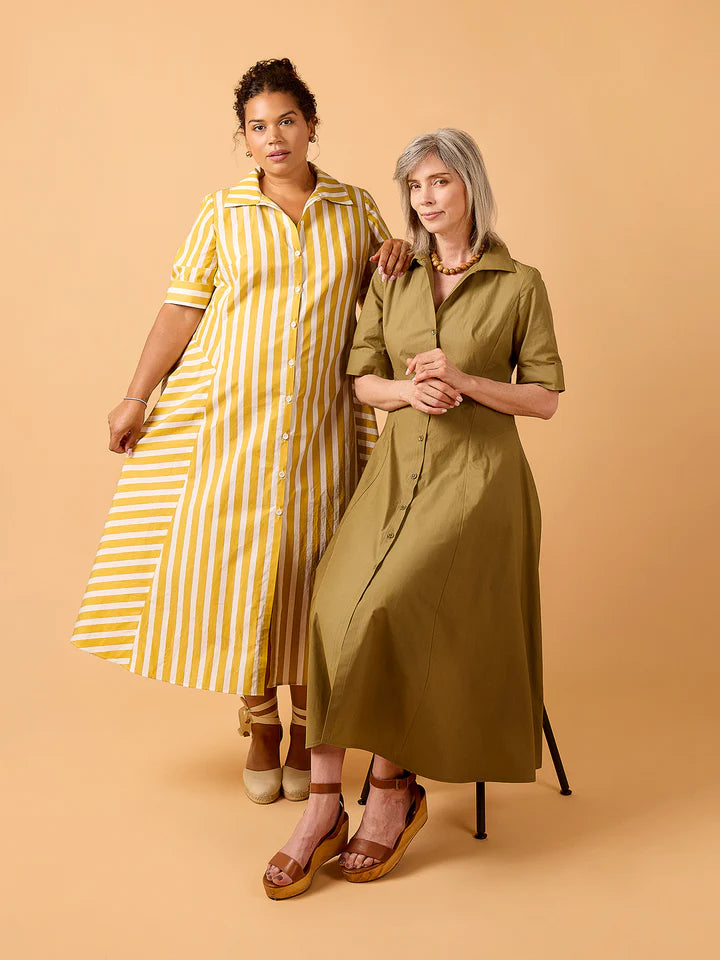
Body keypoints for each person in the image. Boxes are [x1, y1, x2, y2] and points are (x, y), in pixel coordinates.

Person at [70, 58, 411, 806]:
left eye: (286, 120)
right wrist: (135, 396)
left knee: (314, 574)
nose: (274, 136)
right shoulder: (221, 212)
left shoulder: (356, 210)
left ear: (311, 125)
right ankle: (259, 725)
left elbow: (391, 299)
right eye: (258, 127)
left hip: (323, 426)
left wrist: (400, 253)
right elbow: (181, 309)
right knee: (241, 572)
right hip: (227, 422)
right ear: (244, 139)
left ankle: (307, 729)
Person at [263, 128, 565, 898]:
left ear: (470, 187)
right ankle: (323, 808)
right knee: (332, 605)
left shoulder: (519, 283)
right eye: (415, 186)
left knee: (391, 605)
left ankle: (392, 790)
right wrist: (407, 391)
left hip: (479, 483)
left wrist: (465, 381)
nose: (427, 199)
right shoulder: (394, 276)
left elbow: (543, 398)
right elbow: (363, 378)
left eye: (441, 182)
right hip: (396, 475)